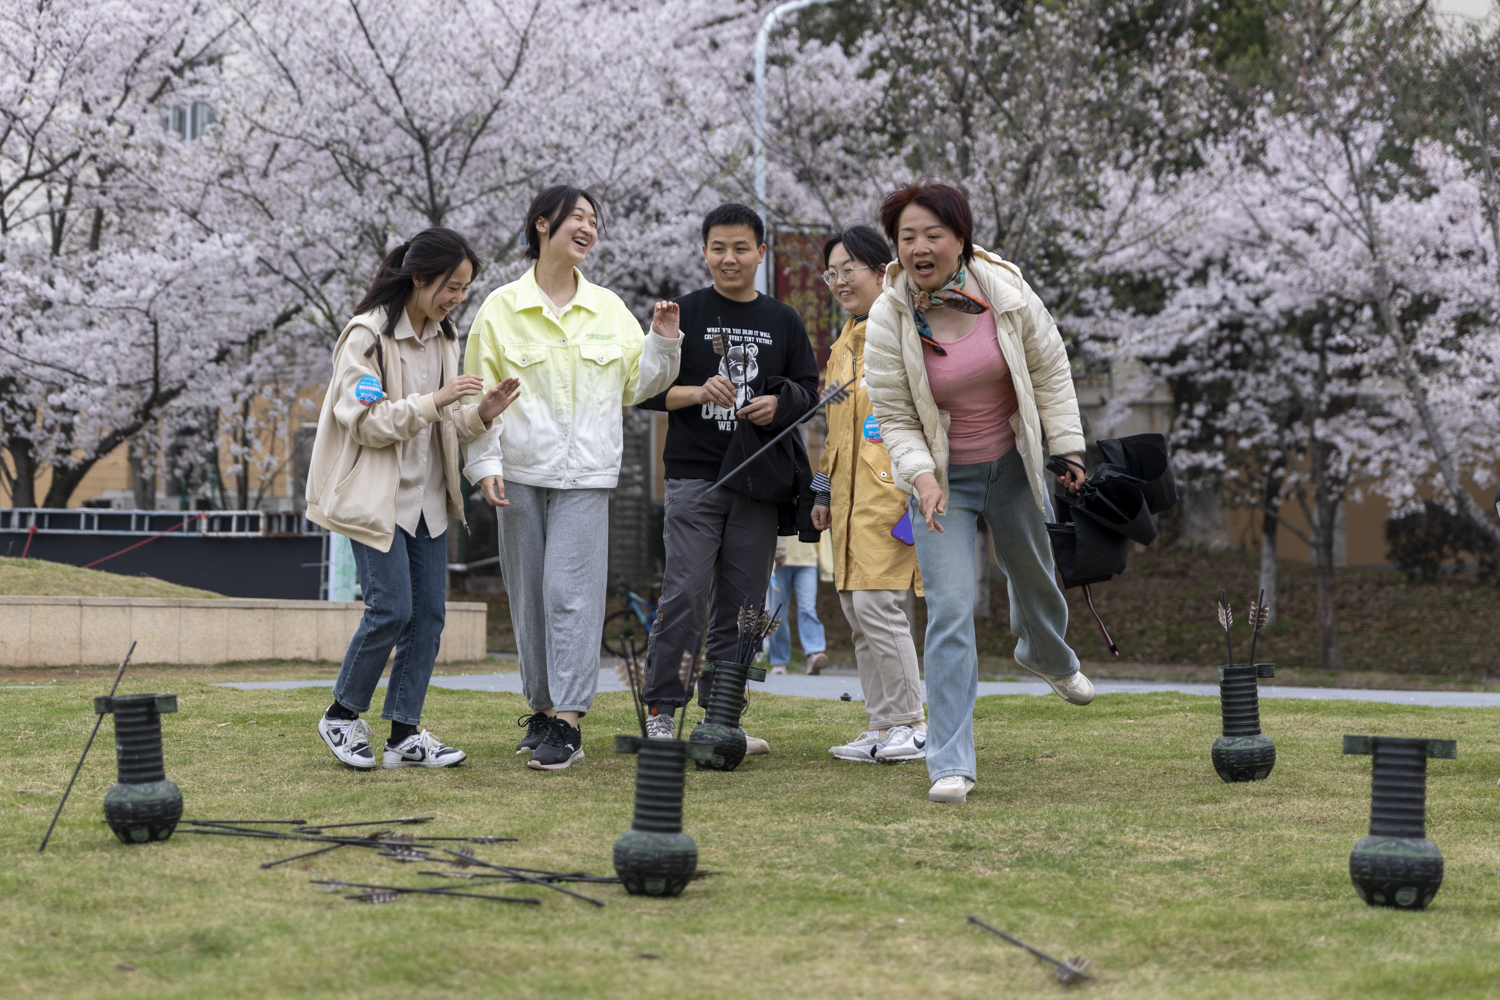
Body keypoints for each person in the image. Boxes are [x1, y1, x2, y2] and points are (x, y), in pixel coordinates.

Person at [864, 181, 1093, 805]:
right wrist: (923, 476)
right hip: (942, 483)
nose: (919, 247)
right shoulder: (888, 316)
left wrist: (1066, 447)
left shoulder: (1005, 290)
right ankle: (950, 762)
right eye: (907, 237)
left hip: (1012, 465)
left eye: (933, 234)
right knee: (949, 613)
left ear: (960, 239)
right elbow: (893, 411)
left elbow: (1049, 370)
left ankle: (1047, 653)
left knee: (1037, 578)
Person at [464, 185, 682, 771]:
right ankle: (541, 709)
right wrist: (484, 465)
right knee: (529, 595)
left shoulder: (609, 308)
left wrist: (663, 340)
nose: (587, 228)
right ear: (542, 225)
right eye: (576, 219)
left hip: (586, 474)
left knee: (571, 593)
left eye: (593, 221)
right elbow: (478, 399)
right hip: (519, 473)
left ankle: (569, 720)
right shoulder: (498, 309)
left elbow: (640, 386)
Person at [306, 227, 519, 771]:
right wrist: (436, 400)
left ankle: (405, 734)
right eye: (450, 286)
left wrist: (482, 413)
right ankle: (341, 714)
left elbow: (446, 422)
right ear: (419, 278)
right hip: (376, 500)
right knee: (391, 609)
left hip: (427, 503)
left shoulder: (445, 338)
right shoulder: (367, 337)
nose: (456, 298)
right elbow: (368, 424)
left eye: (465, 289)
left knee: (428, 617)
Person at [637, 203, 821, 745]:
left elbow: (809, 393)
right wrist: (697, 392)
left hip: (759, 481)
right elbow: (644, 392)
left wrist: (777, 406)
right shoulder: (684, 313)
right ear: (704, 252)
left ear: (762, 253)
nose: (729, 258)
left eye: (741, 247)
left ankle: (722, 716)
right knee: (685, 593)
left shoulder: (783, 320)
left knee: (744, 606)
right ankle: (662, 710)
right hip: (695, 477)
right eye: (718, 247)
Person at [809, 224, 928, 764]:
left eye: (847, 270)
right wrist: (821, 492)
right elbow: (833, 436)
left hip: (892, 497)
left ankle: (914, 724)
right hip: (847, 503)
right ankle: (884, 726)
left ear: (883, 271)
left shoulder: (906, 330)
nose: (837, 282)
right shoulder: (842, 345)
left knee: (881, 608)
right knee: (858, 612)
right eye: (830, 273)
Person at [764, 535, 828, 675]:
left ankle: (814, 654)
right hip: (777, 562)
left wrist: (827, 567)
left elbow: (822, 530)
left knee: (807, 608)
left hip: (807, 562)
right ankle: (779, 661)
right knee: (777, 612)